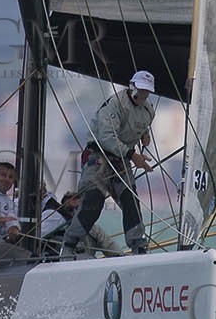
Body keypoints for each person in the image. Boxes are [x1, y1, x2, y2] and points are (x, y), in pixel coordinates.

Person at [62, 70, 156, 258]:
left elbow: (143, 126)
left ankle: (138, 246)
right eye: (141, 90)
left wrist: (144, 135)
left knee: (131, 202)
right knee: (93, 203)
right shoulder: (114, 105)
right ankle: (70, 244)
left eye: (147, 91)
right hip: (99, 157)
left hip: (121, 160)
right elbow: (106, 137)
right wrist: (132, 155)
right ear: (132, 86)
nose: (144, 95)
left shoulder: (148, 110)